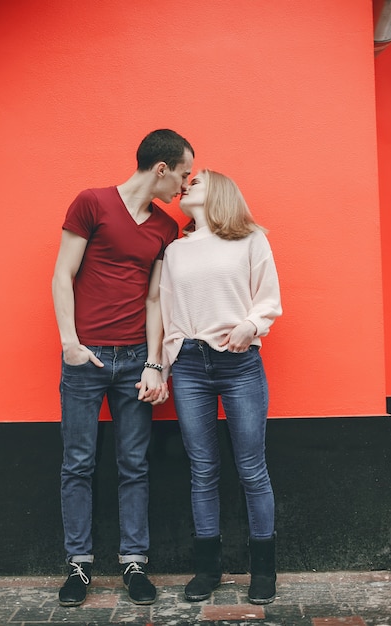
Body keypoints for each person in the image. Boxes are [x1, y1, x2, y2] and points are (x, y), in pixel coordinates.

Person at [52, 129, 194, 608]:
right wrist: (70, 344)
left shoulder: (165, 228)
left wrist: (156, 365)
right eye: (182, 173)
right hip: (86, 358)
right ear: (161, 169)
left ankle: (134, 562)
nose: (183, 185)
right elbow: (62, 275)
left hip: (135, 359)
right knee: (78, 463)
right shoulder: (91, 203)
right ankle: (78, 565)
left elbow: (155, 298)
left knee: (134, 464)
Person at [159, 169, 282, 605]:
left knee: (252, 469)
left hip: (239, 363)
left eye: (198, 180)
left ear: (221, 192)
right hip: (190, 364)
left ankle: (263, 571)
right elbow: (168, 310)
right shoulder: (175, 250)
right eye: (185, 180)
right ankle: (208, 569)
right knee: (203, 470)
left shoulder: (250, 240)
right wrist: (165, 361)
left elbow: (268, 297)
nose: (186, 184)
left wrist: (251, 325)